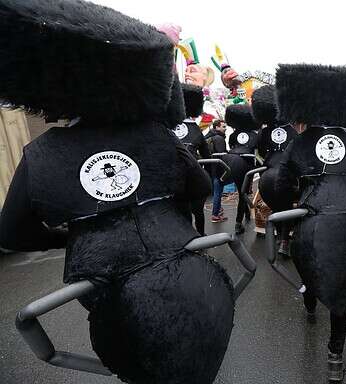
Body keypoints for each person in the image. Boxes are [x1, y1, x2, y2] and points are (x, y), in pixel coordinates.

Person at [0, 1, 240, 382]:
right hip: (182, 256)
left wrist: (70, 237)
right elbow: (196, 186)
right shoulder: (158, 135)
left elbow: (12, 232)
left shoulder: (41, 151)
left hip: (101, 277)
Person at [274, 64, 346, 382]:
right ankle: (335, 357)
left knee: (311, 265)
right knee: (344, 285)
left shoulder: (300, 142)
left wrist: (288, 214)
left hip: (311, 213)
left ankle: (309, 301)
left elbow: (280, 185)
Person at [251, 85, 298, 256]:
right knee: (288, 205)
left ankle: (280, 237)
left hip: (268, 172)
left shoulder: (265, 132)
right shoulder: (293, 131)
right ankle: (284, 240)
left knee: (277, 208)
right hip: (286, 172)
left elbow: (260, 153)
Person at [175, 83, 211, 235]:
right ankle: (202, 236)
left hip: (172, 177)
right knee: (198, 211)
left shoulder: (165, 128)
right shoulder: (195, 129)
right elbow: (207, 155)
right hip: (194, 175)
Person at [223, 104, 259, 234]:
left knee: (240, 191)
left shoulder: (233, 135)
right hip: (247, 165)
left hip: (229, 162)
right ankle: (238, 223)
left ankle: (246, 213)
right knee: (243, 193)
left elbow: (231, 145)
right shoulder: (254, 136)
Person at [207, 119, 228, 222]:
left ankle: (218, 210)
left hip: (210, 168)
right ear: (217, 127)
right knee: (218, 192)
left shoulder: (209, 137)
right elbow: (222, 154)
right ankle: (215, 215)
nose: (225, 128)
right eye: (223, 127)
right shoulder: (219, 138)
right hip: (218, 169)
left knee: (216, 191)